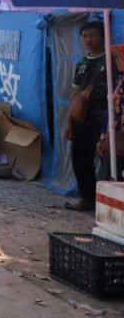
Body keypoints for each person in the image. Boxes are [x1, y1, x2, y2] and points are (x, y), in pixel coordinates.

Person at [65, 21, 111, 211]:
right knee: (81, 161)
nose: (88, 40)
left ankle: (109, 203)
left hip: (104, 120)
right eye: (84, 36)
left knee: (108, 161)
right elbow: (75, 93)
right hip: (81, 119)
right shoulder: (82, 64)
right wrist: (69, 122)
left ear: (102, 37)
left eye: (92, 35)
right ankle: (87, 199)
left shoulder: (111, 60)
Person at [97, 44, 124, 182]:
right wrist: (103, 137)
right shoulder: (119, 80)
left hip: (119, 141)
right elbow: (110, 111)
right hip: (112, 137)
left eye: (119, 58)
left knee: (109, 180)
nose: (116, 61)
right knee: (106, 178)